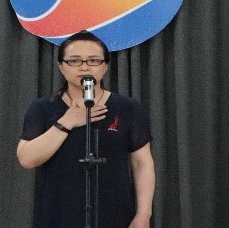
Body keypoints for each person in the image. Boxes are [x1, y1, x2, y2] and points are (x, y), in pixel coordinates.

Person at [17, 30, 155, 228]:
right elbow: (27, 158)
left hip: (114, 214)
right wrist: (67, 122)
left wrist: (143, 214)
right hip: (58, 214)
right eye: (74, 61)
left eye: (93, 60)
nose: (84, 67)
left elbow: (142, 163)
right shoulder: (43, 108)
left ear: (105, 66)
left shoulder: (127, 108)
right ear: (61, 66)